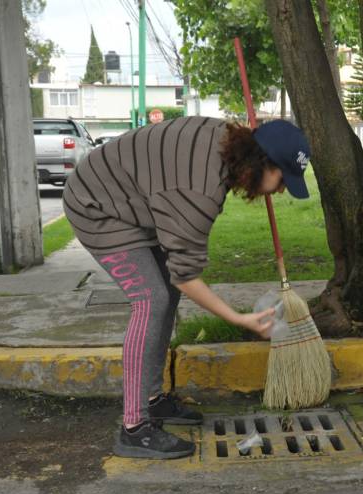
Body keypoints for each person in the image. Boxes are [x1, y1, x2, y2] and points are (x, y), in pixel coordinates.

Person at [61, 116, 312, 459]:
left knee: (166, 295)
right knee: (151, 298)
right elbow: (186, 274)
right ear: (260, 163)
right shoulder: (200, 192)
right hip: (97, 206)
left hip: (132, 197)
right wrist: (237, 319)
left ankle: (153, 400)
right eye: (282, 179)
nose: (281, 189)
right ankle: (134, 428)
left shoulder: (224, 143)